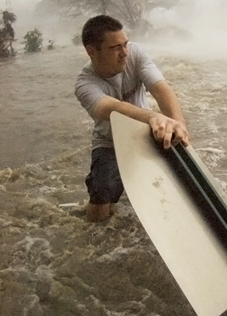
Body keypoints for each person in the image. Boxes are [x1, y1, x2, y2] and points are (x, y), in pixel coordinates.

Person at [75, 15, 189, 222]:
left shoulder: (134, 53)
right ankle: (94, 236)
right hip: (110, 142)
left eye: (125, 44)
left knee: (174, 184)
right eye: (115, 48)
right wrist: (153, 116)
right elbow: (112, 108)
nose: (124, 53)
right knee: (102, 193)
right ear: (92, 52)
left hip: (148, 131)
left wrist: (178, 123)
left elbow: (160, 88)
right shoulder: (84, 84)